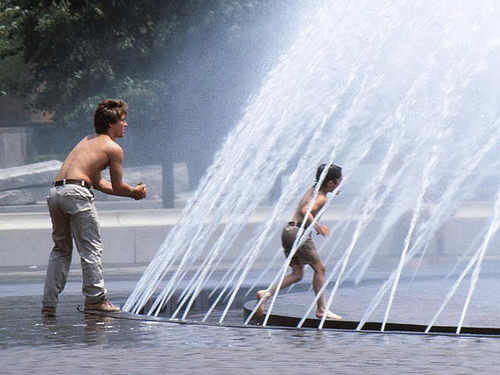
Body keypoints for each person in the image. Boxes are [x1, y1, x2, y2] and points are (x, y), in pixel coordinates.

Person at [41, 99, 147, 317]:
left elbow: (98, 183)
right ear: (111, 124)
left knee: (61, 250)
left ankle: (49, 303)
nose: (126, 125)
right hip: (76, 194)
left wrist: (130, 193)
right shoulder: (113, 148)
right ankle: (96, 300)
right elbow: (118, 186)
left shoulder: (87, 141)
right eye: (123, 121)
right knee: (91, 248)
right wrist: (135, 192)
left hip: (56, 192)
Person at [256, 163, 343, 320]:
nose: (340, 184)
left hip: (288, 232)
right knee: (320, 269)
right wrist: (318, 227)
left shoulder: (313, 189)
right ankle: (322, 309)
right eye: (339, 180)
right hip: (298, 233)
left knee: (297, 274)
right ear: (330, 183)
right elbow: (305, 211)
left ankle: (266, 293)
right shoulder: (321, 198)